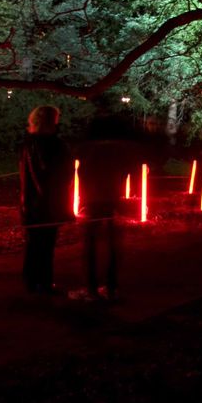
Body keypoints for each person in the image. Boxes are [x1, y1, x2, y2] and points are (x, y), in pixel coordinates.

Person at [68, 115, 139, 302]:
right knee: (113, 245)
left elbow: (81, 172)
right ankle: (111, 286)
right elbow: (127, 170)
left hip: (92, 200)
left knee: (90, 245)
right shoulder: (120, 149)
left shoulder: (87, 149)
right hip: (112, 198)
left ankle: (91, 288)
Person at [19, 105, 73, 294]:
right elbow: (58, 177)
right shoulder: (55, 146)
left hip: (31, 203)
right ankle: (44, 282)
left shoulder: (29, 144)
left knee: (34, 243)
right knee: (46, 244)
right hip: (48, 204)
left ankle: (31, 280)